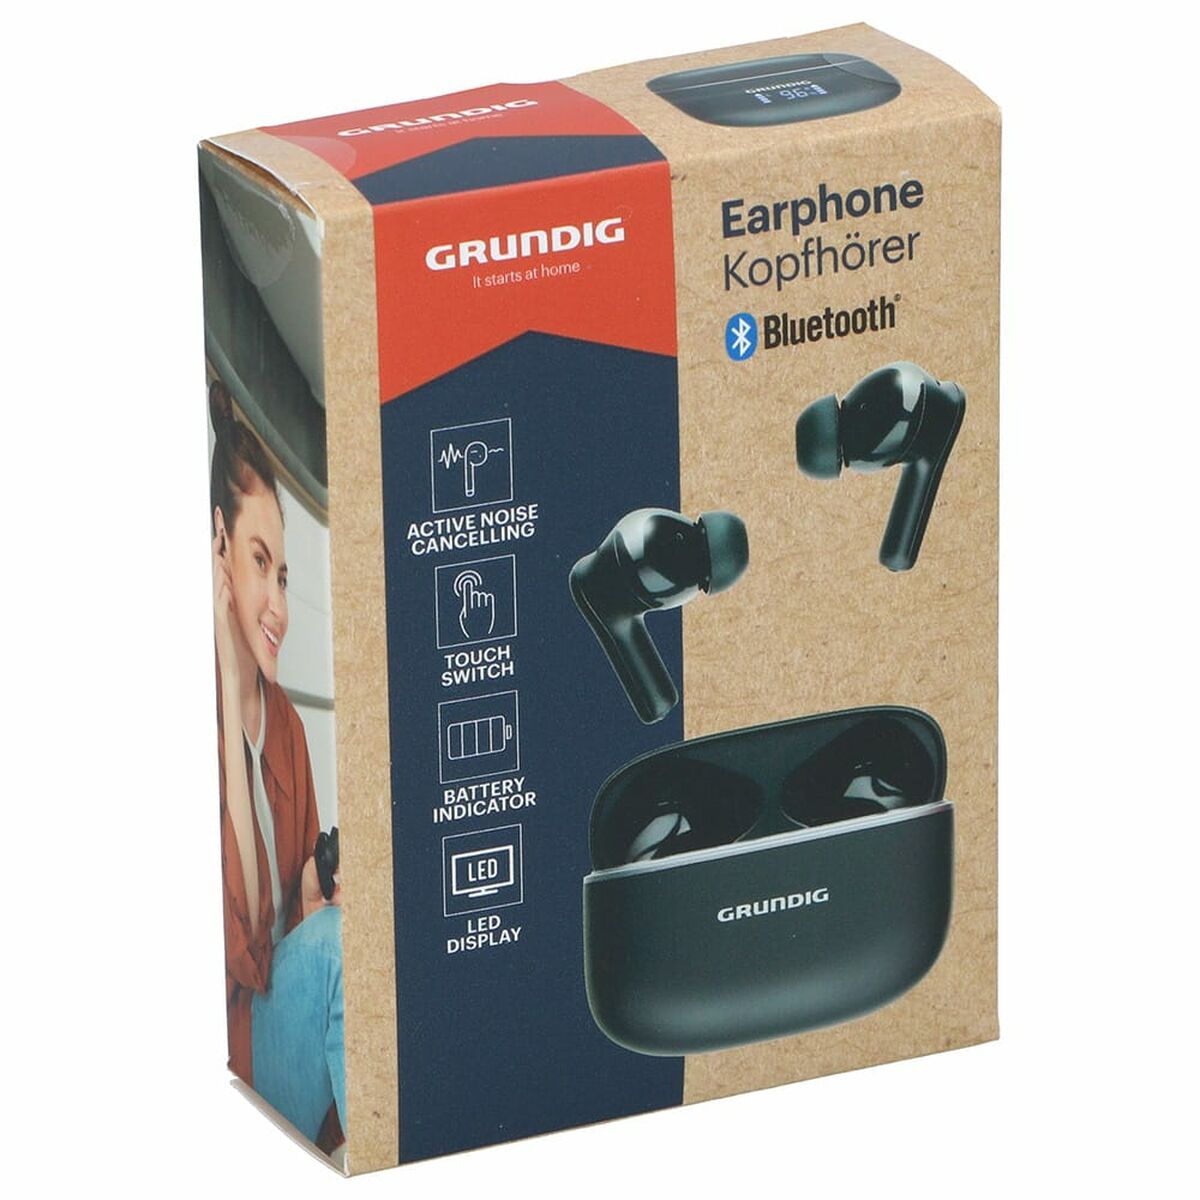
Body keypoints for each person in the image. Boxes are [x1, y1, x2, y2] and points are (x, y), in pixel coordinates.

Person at [209, 378, 345, 1148]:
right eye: (259, 562)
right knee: (336, 950)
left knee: (349, 935)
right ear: (218, 548)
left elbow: (295, 933)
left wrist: (313, 902)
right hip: (228, 1064)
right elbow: (241, 956)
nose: (279, 606)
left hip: (282, 1045)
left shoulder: (288, 726)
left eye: (284, 575)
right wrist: (228, 685)